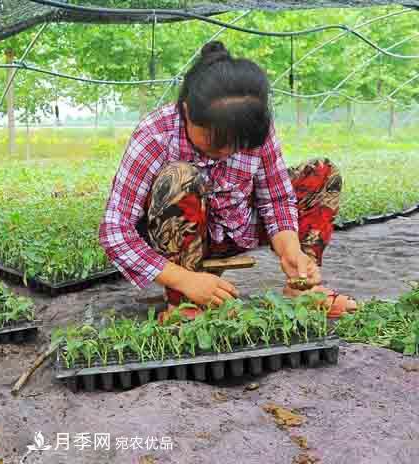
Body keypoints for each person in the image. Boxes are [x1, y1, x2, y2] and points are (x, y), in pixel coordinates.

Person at [99, 41, 357, 323]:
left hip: (239, 226)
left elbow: (277, 199)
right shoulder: (155, 136)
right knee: (180, 177)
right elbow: (115, 230)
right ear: (187, 112)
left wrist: (291, 251)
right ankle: (184, 303)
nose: (226, 152)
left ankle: (303, 287)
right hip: (185, 240)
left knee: (322, 174)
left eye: (237, 143)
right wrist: (184, 279)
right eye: (215, 140)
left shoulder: (253, 126)